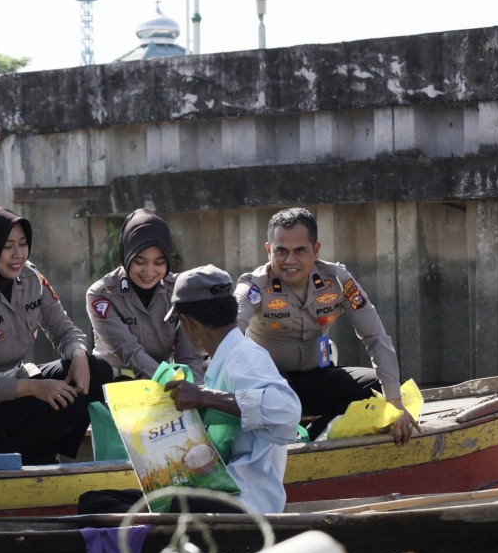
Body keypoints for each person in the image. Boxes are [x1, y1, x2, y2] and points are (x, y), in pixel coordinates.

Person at [234, 207, 420, 445]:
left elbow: (375, 337)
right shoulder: (254, 286)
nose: (290, 260)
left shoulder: (339, 281)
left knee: (379, 385)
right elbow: (228, 333)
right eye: (281, 251)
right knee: (274, 393)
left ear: (316, 250)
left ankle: (312, 435)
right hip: (271, 386)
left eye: (300, 250)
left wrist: (395, 404)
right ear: (269, 250)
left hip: (316, 378)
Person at [0, 206, 113, 465]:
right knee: (66, 404)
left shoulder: (31, 278)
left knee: (98, 370)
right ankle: (9, 456)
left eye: (23, 243)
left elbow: (65, 330)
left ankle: (44, 451)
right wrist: (34, 388)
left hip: (20, 378)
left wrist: (79, 355)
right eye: (7, 246)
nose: (18, 255)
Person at [163, 264, 303, 514]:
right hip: (222, 489)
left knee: (176, 505)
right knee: (103, 500)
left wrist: (205, 397)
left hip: (248, 500)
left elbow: (288, 411)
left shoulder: (244, 356)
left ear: (189, 324)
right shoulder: (226, 358)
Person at [86, 208, 204, 383]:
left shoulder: (180, 291)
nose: (149, 272)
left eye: (159, 262)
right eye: (139, 262)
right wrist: (171, 383)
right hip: (116, 382)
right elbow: (129, 352)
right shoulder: (102, 294)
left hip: (166, 381)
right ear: (126, 256)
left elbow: (188, 356)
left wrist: (195, 392)